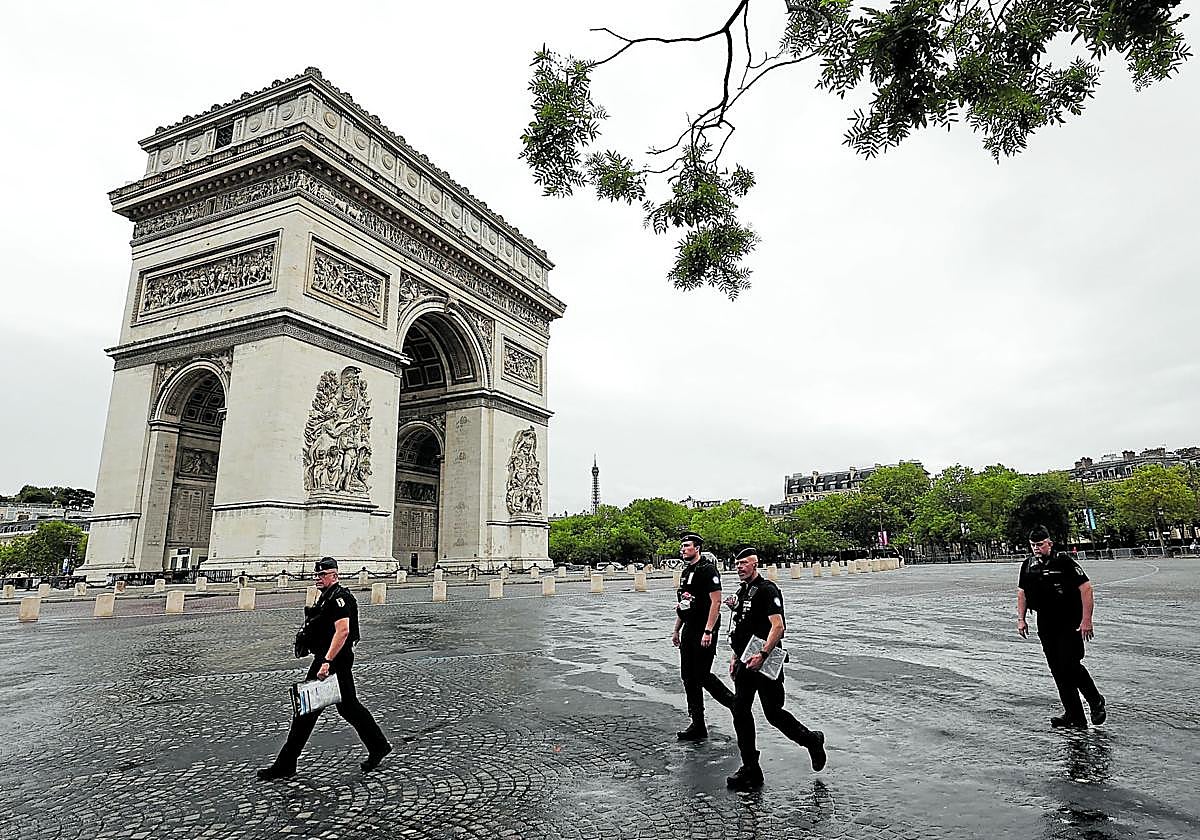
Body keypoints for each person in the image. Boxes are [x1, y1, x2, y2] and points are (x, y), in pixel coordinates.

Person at [257, 557, 392, 780]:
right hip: (330, 659)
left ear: (334, 575)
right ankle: (378, 746)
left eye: (322, 575)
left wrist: (326, 662)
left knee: (307, 711)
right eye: (317, 575)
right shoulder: (327, 597)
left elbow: (343, 632)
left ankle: (286, 765)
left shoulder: (340, 599)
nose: (317, 578)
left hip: (333, 662)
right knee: (348, 708)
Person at [726, 547, 826, 790]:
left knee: (773, 713)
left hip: (765, 660)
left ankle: (811, 740)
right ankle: (751, 768)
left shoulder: (767, 590)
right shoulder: (743, 592)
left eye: (744, 563)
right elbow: (741, 628)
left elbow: (778, 626)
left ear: (755, 564)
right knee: (740, 711)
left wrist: (763, 654)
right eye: (737, 563)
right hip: (745, 662)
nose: (739, 567)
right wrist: (734, 656)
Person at [1017, 525, 1106, 730]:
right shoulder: (1028, 565)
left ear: (1050, 543)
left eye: (1040, 544)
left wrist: (1087, 620)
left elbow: (1086, 589)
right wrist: (1021, 619)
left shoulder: (1064, 561)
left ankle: (1095, 700)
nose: (1036, 548)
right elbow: (1022, 592)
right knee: (1057, 669)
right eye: (1033, 545)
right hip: (1046, 621)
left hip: (1069, 620)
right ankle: (1074, 715)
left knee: (1070, 664)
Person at [672, 534, 734, 740]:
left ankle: (735, 705)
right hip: (689, 628)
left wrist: (708, 631)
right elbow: (683, 603)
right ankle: (697, 723)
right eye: (682, 546)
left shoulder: (708, 570)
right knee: (688, 677)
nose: (683, 549)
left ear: (697, 548)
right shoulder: (686, 571)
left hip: (704, 629)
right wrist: (676, 629)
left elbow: (715, 602)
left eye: (687, 546)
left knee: (702, 674)